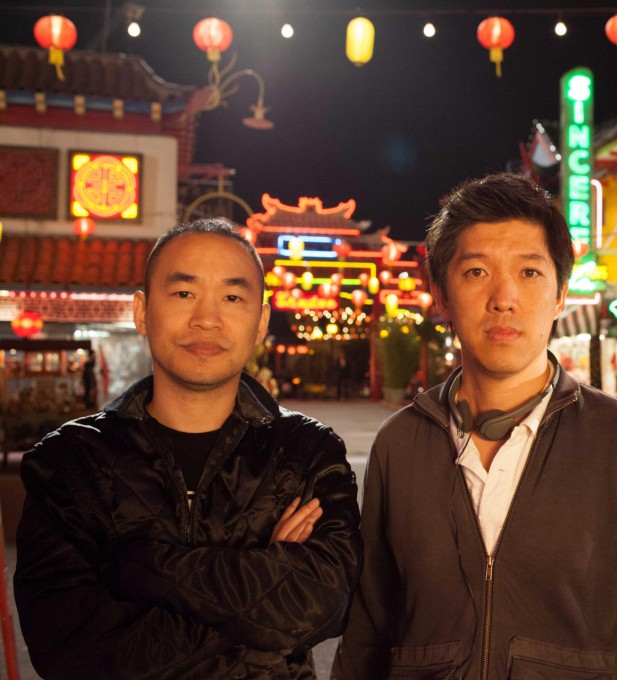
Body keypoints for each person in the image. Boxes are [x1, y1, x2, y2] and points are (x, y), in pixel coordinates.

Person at [334, 173, 617, 679]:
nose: (504, 297)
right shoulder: (401, 445)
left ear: (561, 295)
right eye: (475, 272)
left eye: (530, 273)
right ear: (440, 296)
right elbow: (368, 633)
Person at [15, 219, 363, 679]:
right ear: (141, 311)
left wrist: (139, 566)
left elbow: (325, 603)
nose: (207, 318)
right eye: (183, 293)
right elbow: (66, 647)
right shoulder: (69, 462)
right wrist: (260, 618)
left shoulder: (307, 453)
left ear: (260, 321)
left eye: (233, 297)